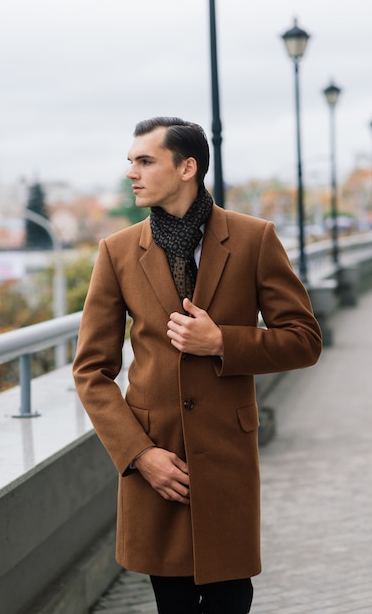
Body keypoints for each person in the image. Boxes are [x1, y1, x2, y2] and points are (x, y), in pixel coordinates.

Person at [73, 117, 322, 614]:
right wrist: (140, 456)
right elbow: (91, 372)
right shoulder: (117, 252)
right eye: (131, 162)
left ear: (188, 167)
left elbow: (304, 341)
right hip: (158, 461)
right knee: (174, 603)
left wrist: (222, 342)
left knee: (233, 598)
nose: (132, 173)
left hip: (227, 460)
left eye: (145, 161)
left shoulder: (255, 239)